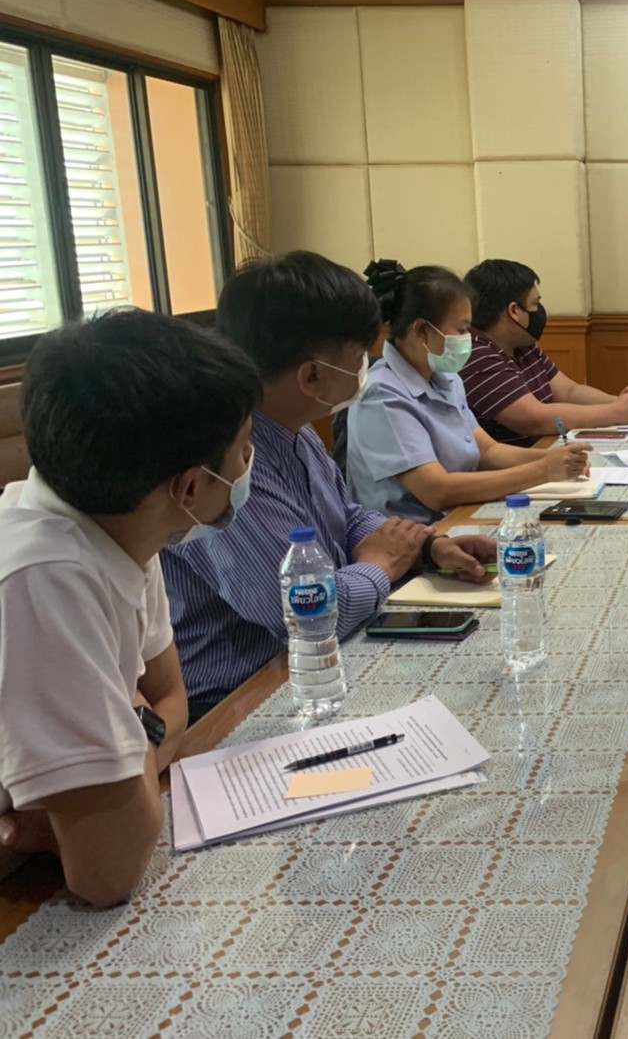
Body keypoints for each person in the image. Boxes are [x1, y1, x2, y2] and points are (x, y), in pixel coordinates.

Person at [163, 252, 500, 722]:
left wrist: (426, 547)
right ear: (312, 376)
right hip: (242, 697)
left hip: (318, 666)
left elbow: (345, 516)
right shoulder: (226, 465)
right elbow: (310, 613)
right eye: (360, 356)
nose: (368, 366)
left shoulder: (295, 430)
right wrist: (382, 565)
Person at [0, 310, 259, 904]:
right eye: (244, 449)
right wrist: (131, 730)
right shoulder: (46, 576)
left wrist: (125, 730)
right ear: (188, 488)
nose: (249, 463)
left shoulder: (120, 531)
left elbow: (171, 698)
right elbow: (108, 873)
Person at [348, 262, 591, 522]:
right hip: (415, 535)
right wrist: (543, 470)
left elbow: (488, 451)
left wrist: (558, 459)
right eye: (462, 329)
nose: (469, 339)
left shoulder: (446, 378)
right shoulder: (382, 395)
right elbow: (437, 490)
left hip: (461, 515)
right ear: (422, 330)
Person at [461, 259, 628, 445]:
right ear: (514, 311)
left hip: (545, 450)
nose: (539, 311)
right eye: (535, 304)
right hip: (519, 460)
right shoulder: (476, 355)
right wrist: (615, 412)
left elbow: (569, 392)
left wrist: (622, 403)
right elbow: (533, 419)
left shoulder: (523, 345)